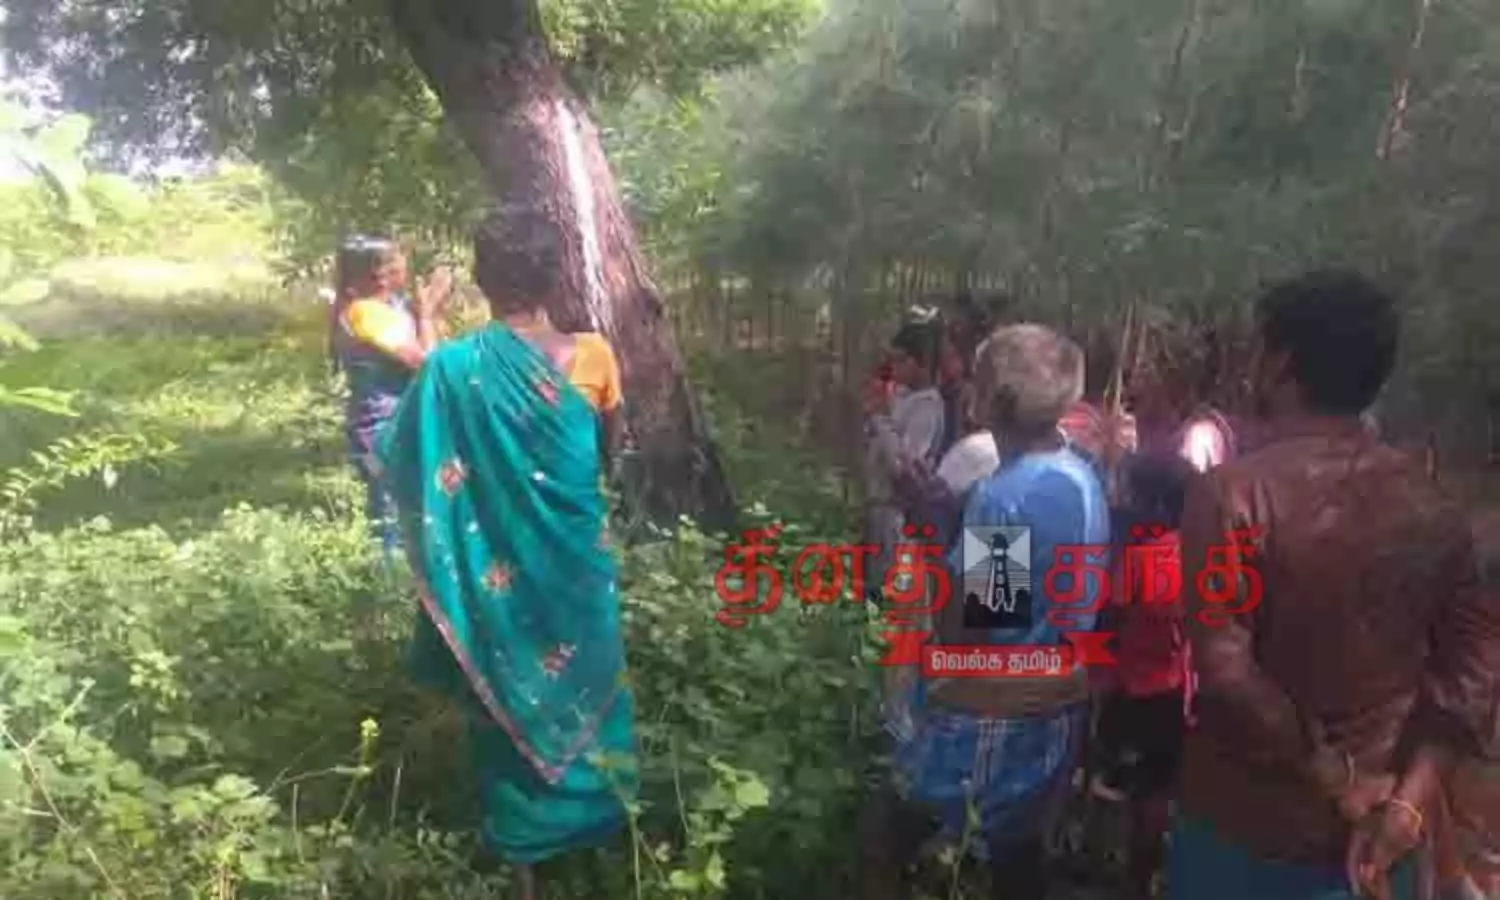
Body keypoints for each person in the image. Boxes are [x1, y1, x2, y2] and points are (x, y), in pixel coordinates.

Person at [1171, 270, 1498, 900]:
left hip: (1244, 833)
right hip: (1379, 840)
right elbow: (1474, 671)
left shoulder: (1231, 496)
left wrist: (1336, 777)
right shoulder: (1434, 505)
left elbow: (1225, 670)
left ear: (1281, 364)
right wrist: (1408, 804)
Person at [376, 213, 633, 900]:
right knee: (593, 687)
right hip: (577, 567)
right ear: (555, 277)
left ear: (483, 278)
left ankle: (527, 872)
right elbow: (608, 450)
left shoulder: (451, 368)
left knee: (506, 691)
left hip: (499, 576)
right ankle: (605, 852)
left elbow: (399, 456)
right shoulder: (595, 357)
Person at [860, 324, 1110, 900]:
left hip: (997, 712)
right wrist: (954, 520)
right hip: (1054, 710)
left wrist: (930, 536)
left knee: (891, 834)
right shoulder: (1078, 473)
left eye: (977, 377)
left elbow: (971, 629)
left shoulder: (1006, 496)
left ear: (997, 399)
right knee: (1016, 859)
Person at [1090, 452, 1196, 900]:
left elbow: (1110, 622)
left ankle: (1127, 874)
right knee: (1161, 787)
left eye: (1133, 496)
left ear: (1153, 504)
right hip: (1179, 692)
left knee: (1129, 787)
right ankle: (1152, 872)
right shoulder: (1198, 555)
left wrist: (1095, 676)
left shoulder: (1139, 559)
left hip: (1135, 690)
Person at [329, 235, 452, 551]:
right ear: (380, 274)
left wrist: (427, 313)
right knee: (393, 520)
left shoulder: (388, 307)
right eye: (397, 259)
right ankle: (388, 577)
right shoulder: (367, 313)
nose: (405, 264)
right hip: (384, 427)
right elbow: (426, 363)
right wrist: (426, 315)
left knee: (411, 515)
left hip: (397, 422)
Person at [863, 307, 948, 605]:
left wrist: (879, 418)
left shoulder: (928, 405)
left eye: (901, 360)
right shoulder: (898, 395)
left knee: (895, 592)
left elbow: (905, 466)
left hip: (899, 513)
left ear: (920, 363)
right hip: (878, 503)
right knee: (873, 584)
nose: (894, 367)